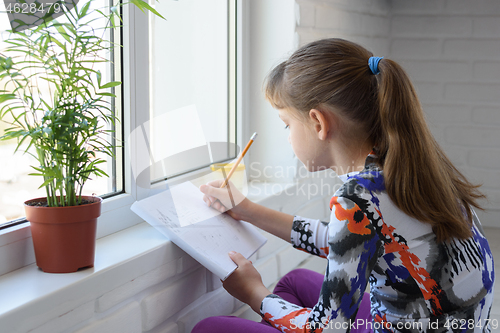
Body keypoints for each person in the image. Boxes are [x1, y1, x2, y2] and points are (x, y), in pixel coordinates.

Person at [193, 38, 495, 333]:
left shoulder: (356, 198)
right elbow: (346, 241)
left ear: (318, 123)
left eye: (287, 124)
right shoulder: (406, 169)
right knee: (295, 281)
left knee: (209, 327)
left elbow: (330, 328)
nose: (287, 136)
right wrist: (247, 210)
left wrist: (254, 293)